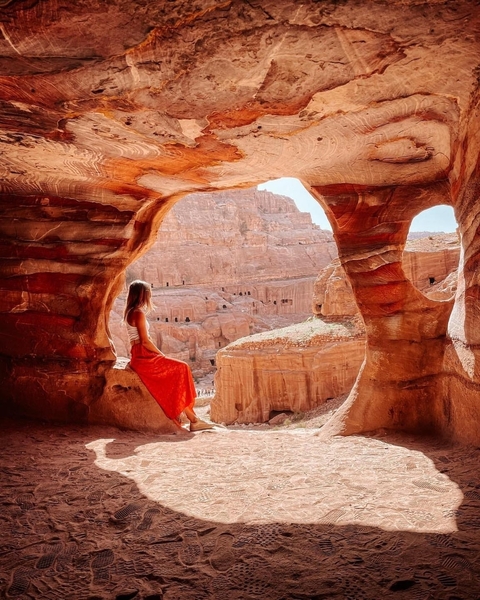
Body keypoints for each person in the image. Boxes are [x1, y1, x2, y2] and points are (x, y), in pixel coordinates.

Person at [124, 280, 214, 432]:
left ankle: (193, 419)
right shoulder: (138, 313)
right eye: (148, 293)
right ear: (142, 294)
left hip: (139, 355)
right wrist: (161, 354)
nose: (150, 296)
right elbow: (145, 341)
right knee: (182, 368)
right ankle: (193, 419)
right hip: (144, 356)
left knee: (178, 372)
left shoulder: (130, 312)